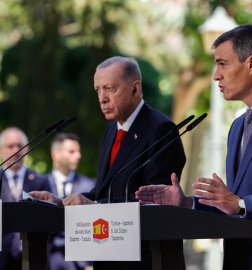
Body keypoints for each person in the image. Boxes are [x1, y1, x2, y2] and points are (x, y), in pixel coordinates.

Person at [30, 56, 186, 269]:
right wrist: (62, 203)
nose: (102, 98)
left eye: (110, 89)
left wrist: (95, 207)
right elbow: (104, 192)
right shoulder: (111, 130)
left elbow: (157, 202)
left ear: (135, 88)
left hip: (147, 259)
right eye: (97, 90)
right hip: (109, 255)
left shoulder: (161, 129)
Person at [136, 24, 252, 270]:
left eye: (222, 64)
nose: (215, 75)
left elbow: (239, 204)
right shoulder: (238, 126)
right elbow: (234, 207)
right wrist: (188, 203)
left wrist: (239, 204)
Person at [0, 127, 51, 270]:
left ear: (27, 148)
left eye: (19, 146)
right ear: (0, 150)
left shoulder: (41, 181)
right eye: (10, 146)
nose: (16, 150)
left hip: (33, 257)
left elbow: (51, 219)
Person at [47, 133, 95, 270]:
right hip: (47, 259)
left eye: (78, 151)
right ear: (56, 154)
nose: (78, 155)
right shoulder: (41, 183)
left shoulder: (90, 186)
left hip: (81, 262)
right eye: (71, 152)